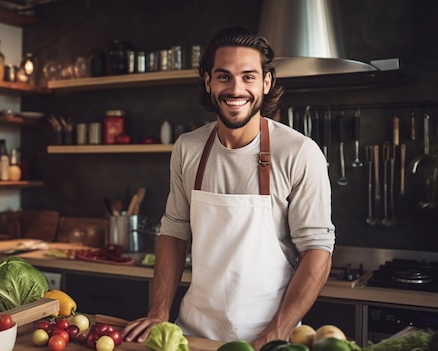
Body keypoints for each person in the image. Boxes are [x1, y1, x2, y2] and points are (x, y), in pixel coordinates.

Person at [122, 25, 335, 350]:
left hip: (268, 338)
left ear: (266, 82)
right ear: (208, 81)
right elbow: (174, 233)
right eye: (224, 76)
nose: (236, 89)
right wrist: (159, 311)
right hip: (193, 334)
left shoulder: (299, 152)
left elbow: (317, 250)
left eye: (248, 76)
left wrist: (276, 333)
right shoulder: (188, 148)